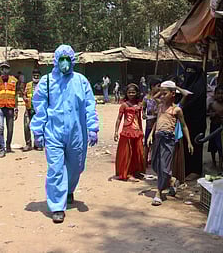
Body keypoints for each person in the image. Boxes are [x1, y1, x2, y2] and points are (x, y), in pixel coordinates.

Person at [30, 44, 99, 224]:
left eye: (68, 59)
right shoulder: (46, 81)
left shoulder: (81, 81)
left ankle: (68, 190)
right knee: (56, 169)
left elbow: (89, 105)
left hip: (77, 132)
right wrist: (38, 131)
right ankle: (57, 206)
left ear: (73, 60)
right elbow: (40, 107)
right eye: (61, 59)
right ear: (55, 60)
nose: (65, 63)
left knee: (76, 166)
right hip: (54, 132)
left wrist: (92, 127)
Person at [147, 80, 194, 206]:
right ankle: (172, 180)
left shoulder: (176, 109)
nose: (161, 96)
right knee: (156, 165)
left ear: (173, 94)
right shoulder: (160, 106)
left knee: (164, 166)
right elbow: (153, 99)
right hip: (158, 137)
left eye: (165, 94)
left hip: (169, 140)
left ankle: (159, 193)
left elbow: (184, 126)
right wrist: (151, 135)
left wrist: (189, 142)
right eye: (161, 94)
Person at [113, 83, 144, 181]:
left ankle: (136, 172)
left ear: (136, 93)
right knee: (126, 152)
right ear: (126, 93)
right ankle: (125, 173)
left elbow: (140, 118)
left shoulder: (139, 104)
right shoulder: (124, 105)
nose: (131, 94)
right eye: (129, 92)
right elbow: (119, 119)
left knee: (137, 152)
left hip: (137, 130)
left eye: (133, 92)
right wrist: (116, 131)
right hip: (127, 130)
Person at [0, 62, 19, 158]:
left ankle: (8, 144)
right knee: (0, 128)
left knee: (10, 130)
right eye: (2, 68)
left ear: (9, 70)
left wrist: (16, 109)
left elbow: (16, 96)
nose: (4, 70)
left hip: (10, 107)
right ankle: (2, 149)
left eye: (6, 68)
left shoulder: (14, 81)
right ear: (0, 70)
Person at [207, 86, 223, 172]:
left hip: (221, 128)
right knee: (213, 146)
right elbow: (208, 114)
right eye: (218, 93)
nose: (220, 95)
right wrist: (212, 115)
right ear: (215, 94)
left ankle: (220, 165)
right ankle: (214, 162)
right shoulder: (212, 104)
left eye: (222, 93)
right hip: (213, 127)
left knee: (221, 146)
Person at [142, 78, 161, 168]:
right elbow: (143, 108)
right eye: (158, 86)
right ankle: (144, 161)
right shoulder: (146, 97)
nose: (160, 88)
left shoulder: (160, 97)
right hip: (150, 121)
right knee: (147, 143)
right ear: (152, 87)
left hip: (158, 122)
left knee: (156, 143)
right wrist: (143, 114)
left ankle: (154, 161)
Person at [22, 68, 42, 152]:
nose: (36, 76)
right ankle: (28, 144)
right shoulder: (28, 85)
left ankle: (38, 144)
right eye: (34, 75)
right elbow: (24, 95)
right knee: (27, 126)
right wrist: (25, 98)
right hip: (28, 108)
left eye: (37, 75)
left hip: (39, 110)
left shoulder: (42, 85)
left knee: (38, 127)